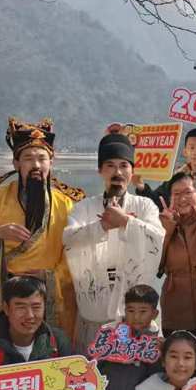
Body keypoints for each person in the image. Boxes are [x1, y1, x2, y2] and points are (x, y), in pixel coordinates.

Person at [0, 118, 82, 343]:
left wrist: (50, 276)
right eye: (28, 158)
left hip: (48, 294)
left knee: (51, 348)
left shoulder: (66, 204)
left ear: (51, 162)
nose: (36, 165)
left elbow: (77, 252)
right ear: (16, 164)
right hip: (7, 293)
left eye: (42, 158)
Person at [64, 127, 165, 351]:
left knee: (136, 372)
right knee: (90, 371)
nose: (117, 172)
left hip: (135, 319)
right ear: (100, 171)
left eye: (123, 165)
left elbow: (157, 238)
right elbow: (69, 239)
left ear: (132, 171)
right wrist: (101, 227)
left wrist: (126, 222)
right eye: (110, 165)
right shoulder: (84, 208)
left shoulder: (145, 206)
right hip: (94, 317)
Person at [158, 172, 196, 335]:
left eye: (187, 192)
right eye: (176, 194)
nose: (182, 198)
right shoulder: (163, 223)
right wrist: (167, 228)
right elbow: (154, 265)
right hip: (176, 313)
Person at [135, 127, 196, 208]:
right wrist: (142, 188)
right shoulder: (177, 176)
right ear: (185, 152)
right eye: (192, 148)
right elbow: (158, 201)